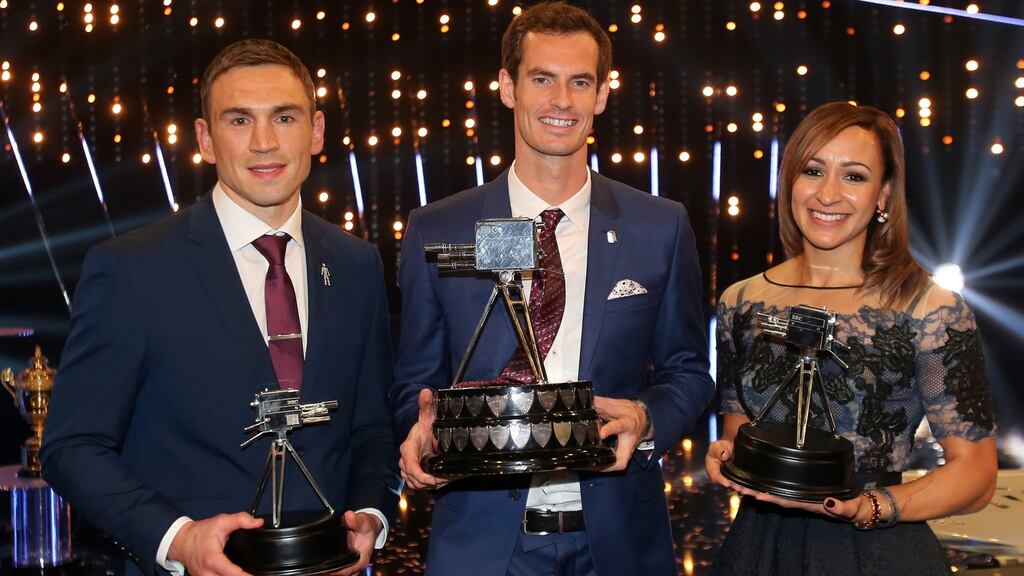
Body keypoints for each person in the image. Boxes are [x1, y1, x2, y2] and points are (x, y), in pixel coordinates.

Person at [41, 39, 400, 576]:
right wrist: (179, 539)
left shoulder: (357, 265)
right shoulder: (131, 270)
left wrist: (373, 512)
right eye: (239, 120)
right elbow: (72, 447)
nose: (263, 142)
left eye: (284, 117)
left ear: (317, 132)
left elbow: (372, 428)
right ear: (206, 140)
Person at [391, 3, 713, 575]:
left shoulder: (659, 226)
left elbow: (688, 372)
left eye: (579, 82)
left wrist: (644, 417)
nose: (562, 101)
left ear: (602, 94)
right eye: (542, 79)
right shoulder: (436, 228)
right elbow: (413, 383)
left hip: (618, 544)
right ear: (507, 87)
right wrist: (419, 431)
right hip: (484, 547)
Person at [706, 101, 997, 575]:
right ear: (790, 183)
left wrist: (869, 506)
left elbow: (978, 475)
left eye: (854, 176)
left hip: (876, 551)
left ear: (883, 195)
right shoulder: (741, 301)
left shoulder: (928, 308)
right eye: (813, 170)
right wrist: (728, 453)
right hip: (758, 549)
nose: (828, 194)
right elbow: (740, 426)